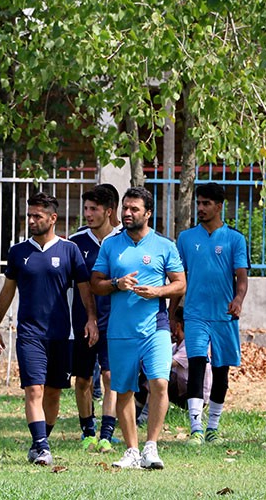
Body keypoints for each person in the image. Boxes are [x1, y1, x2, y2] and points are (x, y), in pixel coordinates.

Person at [0, 192, 98, 466]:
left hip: (61, 334)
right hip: (30, 334)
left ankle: (40, 441)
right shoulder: (18, 252)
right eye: (29, 215)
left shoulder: (69, 250)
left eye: (37, 216)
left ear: (52, 218)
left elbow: (85, 290)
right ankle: (41, 445)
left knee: (52, 392)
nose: (31, 220)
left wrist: (91, 318)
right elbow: (7, 290)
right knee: (34, 390)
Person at [90, 186, 186, 470]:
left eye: (134, 209)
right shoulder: (111, 245)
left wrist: (157, 292)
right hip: (120, 330)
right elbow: (95, 283)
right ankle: (132, 451)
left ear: (148, 213)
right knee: (123, 390)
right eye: (125, 208)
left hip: (155, 327)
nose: (128, 213)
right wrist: (116, 284)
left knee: (159, 383)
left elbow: (180, 284)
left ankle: (151, 447)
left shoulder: (164, 245)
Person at [174, 182, 248, 445]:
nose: (201, 208)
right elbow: (178, 278)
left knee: (220, 370)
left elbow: (241, 277)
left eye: (206, 203)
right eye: (199, 203)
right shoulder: (186, 238)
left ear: (219, 206)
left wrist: (238, 299)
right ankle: (195, 428)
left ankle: (212, 427)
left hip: (223, 316)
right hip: (195, 314)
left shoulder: (235, 239)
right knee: (195, 365)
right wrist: (172, 313)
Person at [69, 186, 119, 453]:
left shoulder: (123, 239)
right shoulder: (76, 242)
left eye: (94, 209)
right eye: (86, 208)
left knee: (110, 376)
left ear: (109, 211)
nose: (88, 214)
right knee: (83, 379)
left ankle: (107, 434)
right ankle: (88, 431)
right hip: (82, 321)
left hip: (115, 320)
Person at [135, 306, 212, 425]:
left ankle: (146, 415)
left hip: (194, 396)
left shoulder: (190, 346)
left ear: (177, 326)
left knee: (158, 373)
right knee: (147, 373)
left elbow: (166, 364)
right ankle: (137, 412)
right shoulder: (175, 346)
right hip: (181, 389)